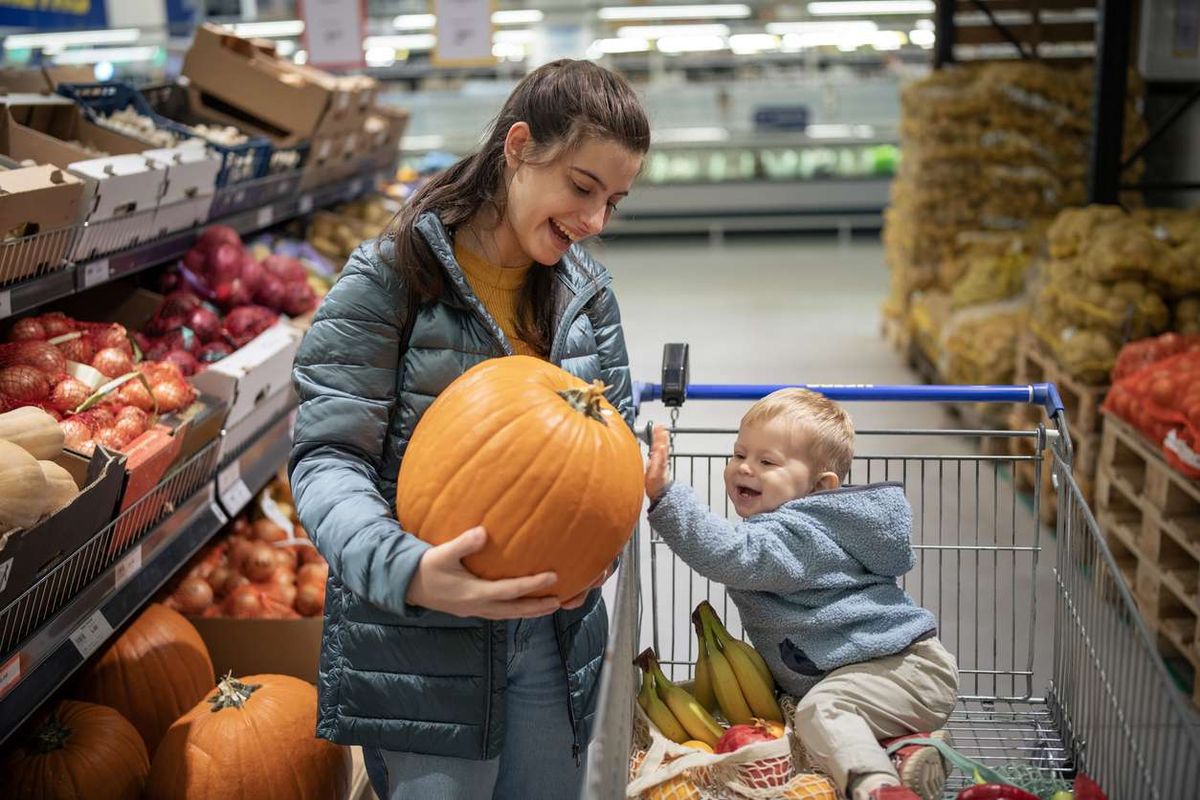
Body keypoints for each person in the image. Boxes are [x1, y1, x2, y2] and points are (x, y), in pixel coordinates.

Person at [289, 59, 650, 800]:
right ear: (519, 147)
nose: (594, 222)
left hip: (554, 637)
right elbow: (326, 458)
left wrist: (638, 470)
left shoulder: (588, 296)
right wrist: (409, 571)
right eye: (582, 189)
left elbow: (610, 438)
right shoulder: (392, 276)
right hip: (421, 646)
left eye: (613, 200)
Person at [643, 388, 960, 800]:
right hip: (877, 680)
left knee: (821, 712)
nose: (745, 469)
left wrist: (667, 499)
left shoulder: (800, 534)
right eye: (739, 455)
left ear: (820, 486)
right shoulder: (789, 528)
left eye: (767, 461)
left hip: (906, 669)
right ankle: (915, 750)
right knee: (817, 723)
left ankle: (878, 789)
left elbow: (733, 554)